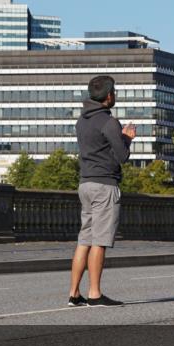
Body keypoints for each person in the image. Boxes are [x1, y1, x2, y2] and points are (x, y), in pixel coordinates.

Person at [69, 75, 136, 307]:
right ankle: (95, 294)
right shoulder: (109, 122)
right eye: (114, 92)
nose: (115, 95)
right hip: (105, 184)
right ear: (108, 96)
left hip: (85, 183)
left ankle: (74, 293)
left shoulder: (82, 121)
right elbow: (122, 156)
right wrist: (127, 138)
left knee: (84, 239)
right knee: (100, 240)